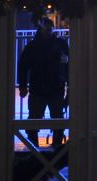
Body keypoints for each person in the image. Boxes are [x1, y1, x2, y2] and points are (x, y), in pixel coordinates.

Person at [19, 17, 70, 148]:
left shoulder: (33, 46)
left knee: (36, 120)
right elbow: (68, 65)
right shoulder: (59, 44)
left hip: (42, 87)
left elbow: (23, 66)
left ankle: (34, 149)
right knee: (56, 119)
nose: (49, 32)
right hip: (51, 87)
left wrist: (23, 86)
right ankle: (55, 149)